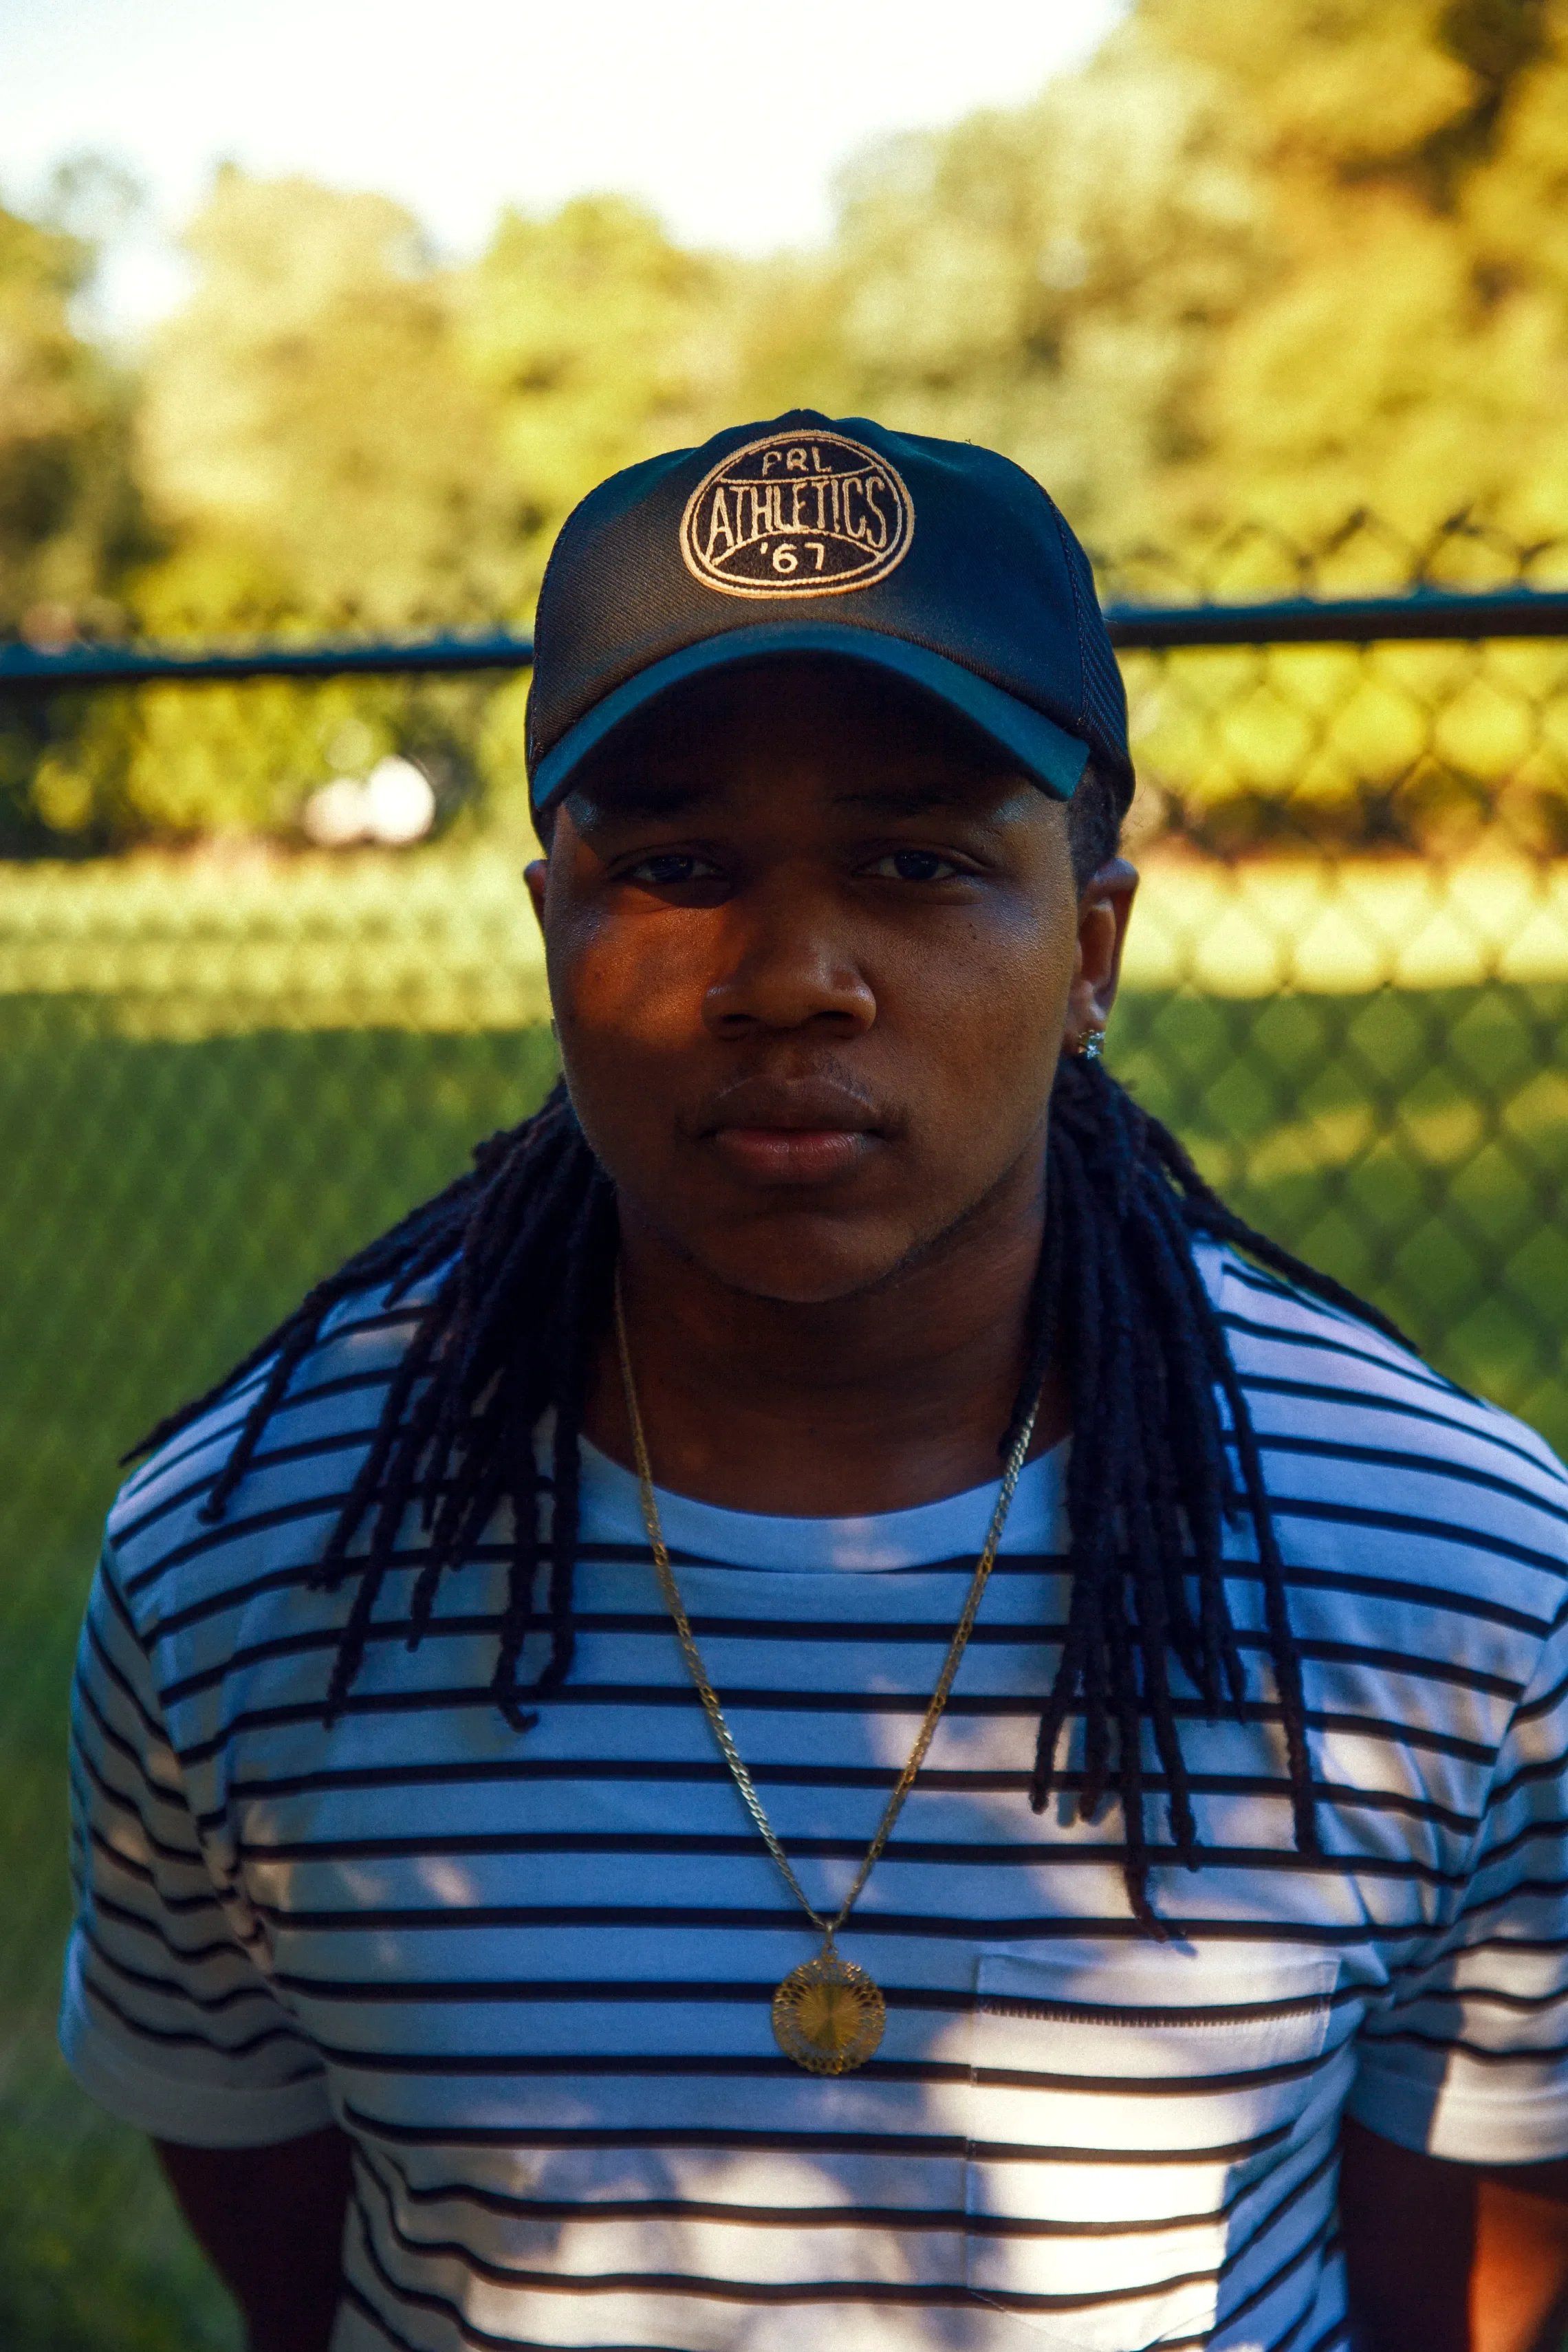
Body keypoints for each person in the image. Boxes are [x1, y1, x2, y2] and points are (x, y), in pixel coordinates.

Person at [61, 411, 1568, 2352]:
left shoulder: (1454, 1568)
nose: (790, 972)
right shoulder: (247, 1568)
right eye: (676, 859)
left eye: (918, 859)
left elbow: (1466, 2278)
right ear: (551, 932)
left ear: (1095, 946)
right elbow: (310, 2257)